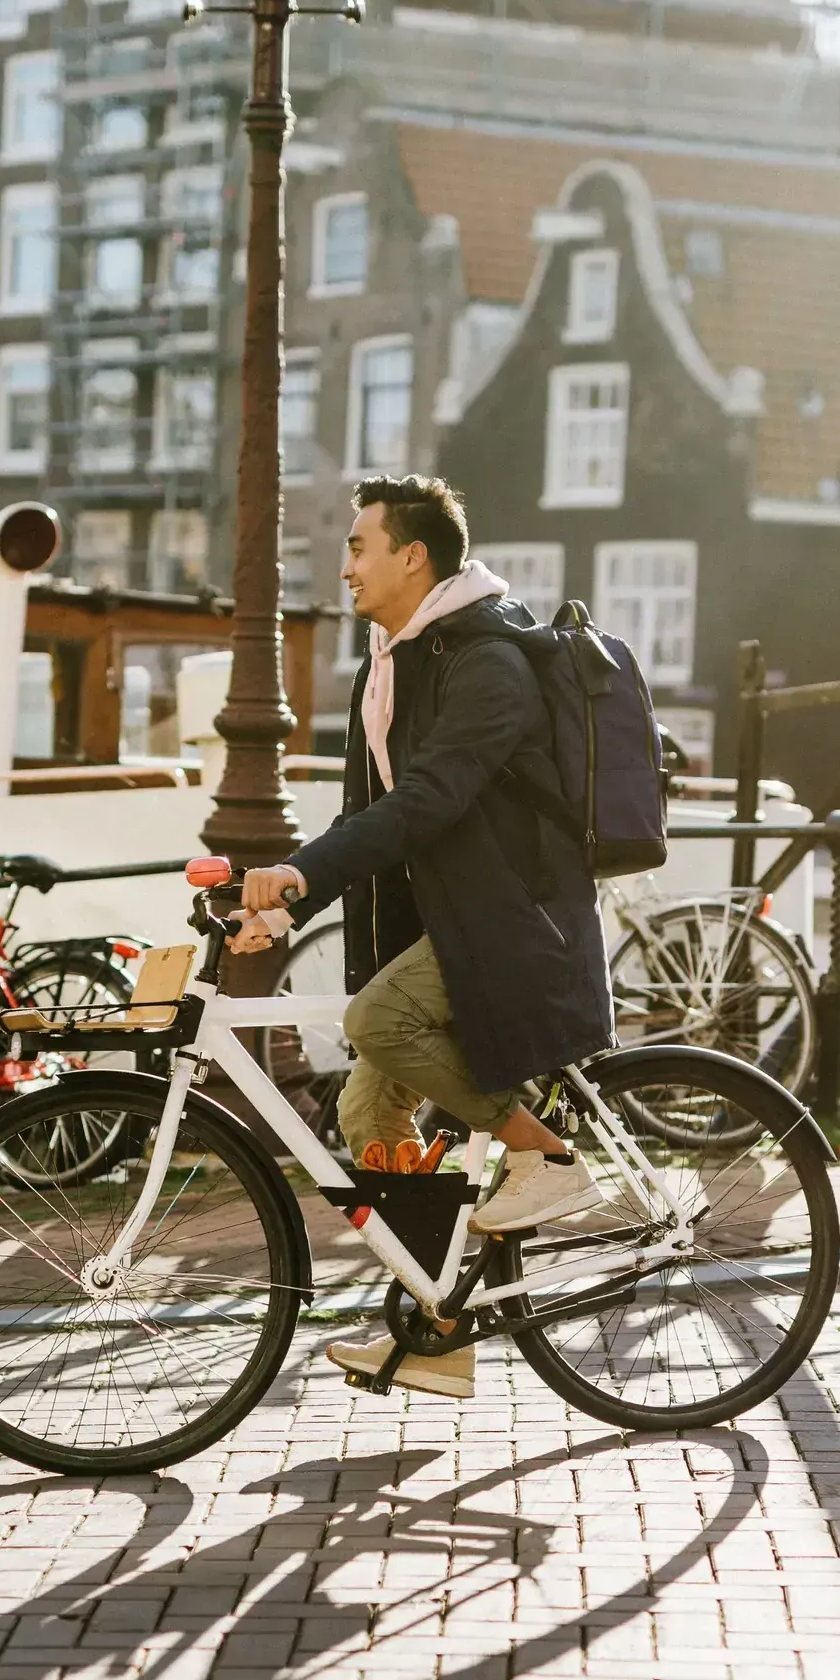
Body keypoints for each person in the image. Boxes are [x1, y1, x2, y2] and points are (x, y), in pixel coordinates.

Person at [229, 474, 616, 1399]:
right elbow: (371, 812)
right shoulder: (393, 662)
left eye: (359, 546)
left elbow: (432, 798)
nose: (346, 565)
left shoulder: (489, 661)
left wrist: (301, 870)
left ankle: (545, 1155)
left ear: (414, 556)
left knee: (380, 1021)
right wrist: (290, 899)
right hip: (459, 916)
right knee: (365, 1115)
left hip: (515, 915)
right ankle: (444, 1326)